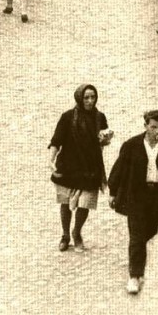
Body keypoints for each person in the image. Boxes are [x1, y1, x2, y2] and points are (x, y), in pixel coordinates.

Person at [107, 109, 158, 295]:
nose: (157, 131)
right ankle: (134, 275)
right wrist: (113, 192)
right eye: (153, 127)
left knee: (151, 230)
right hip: (136, 195)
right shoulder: (132, 145)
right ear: (145, 126)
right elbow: (119, 169)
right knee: (136, 236)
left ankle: (137, 255)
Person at [48, 84, 113, 254]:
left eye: (93, 97)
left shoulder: (100, 117)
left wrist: (105, 139)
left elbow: (102, 142)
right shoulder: (67, 117)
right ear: (79, 98)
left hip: (90, 167)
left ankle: (77, 233)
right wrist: (51, 159)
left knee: (85, 204)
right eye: (86, 97)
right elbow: (56, 140)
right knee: (65, 202)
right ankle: (65, 235)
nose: (90, 101)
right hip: (68, 167)